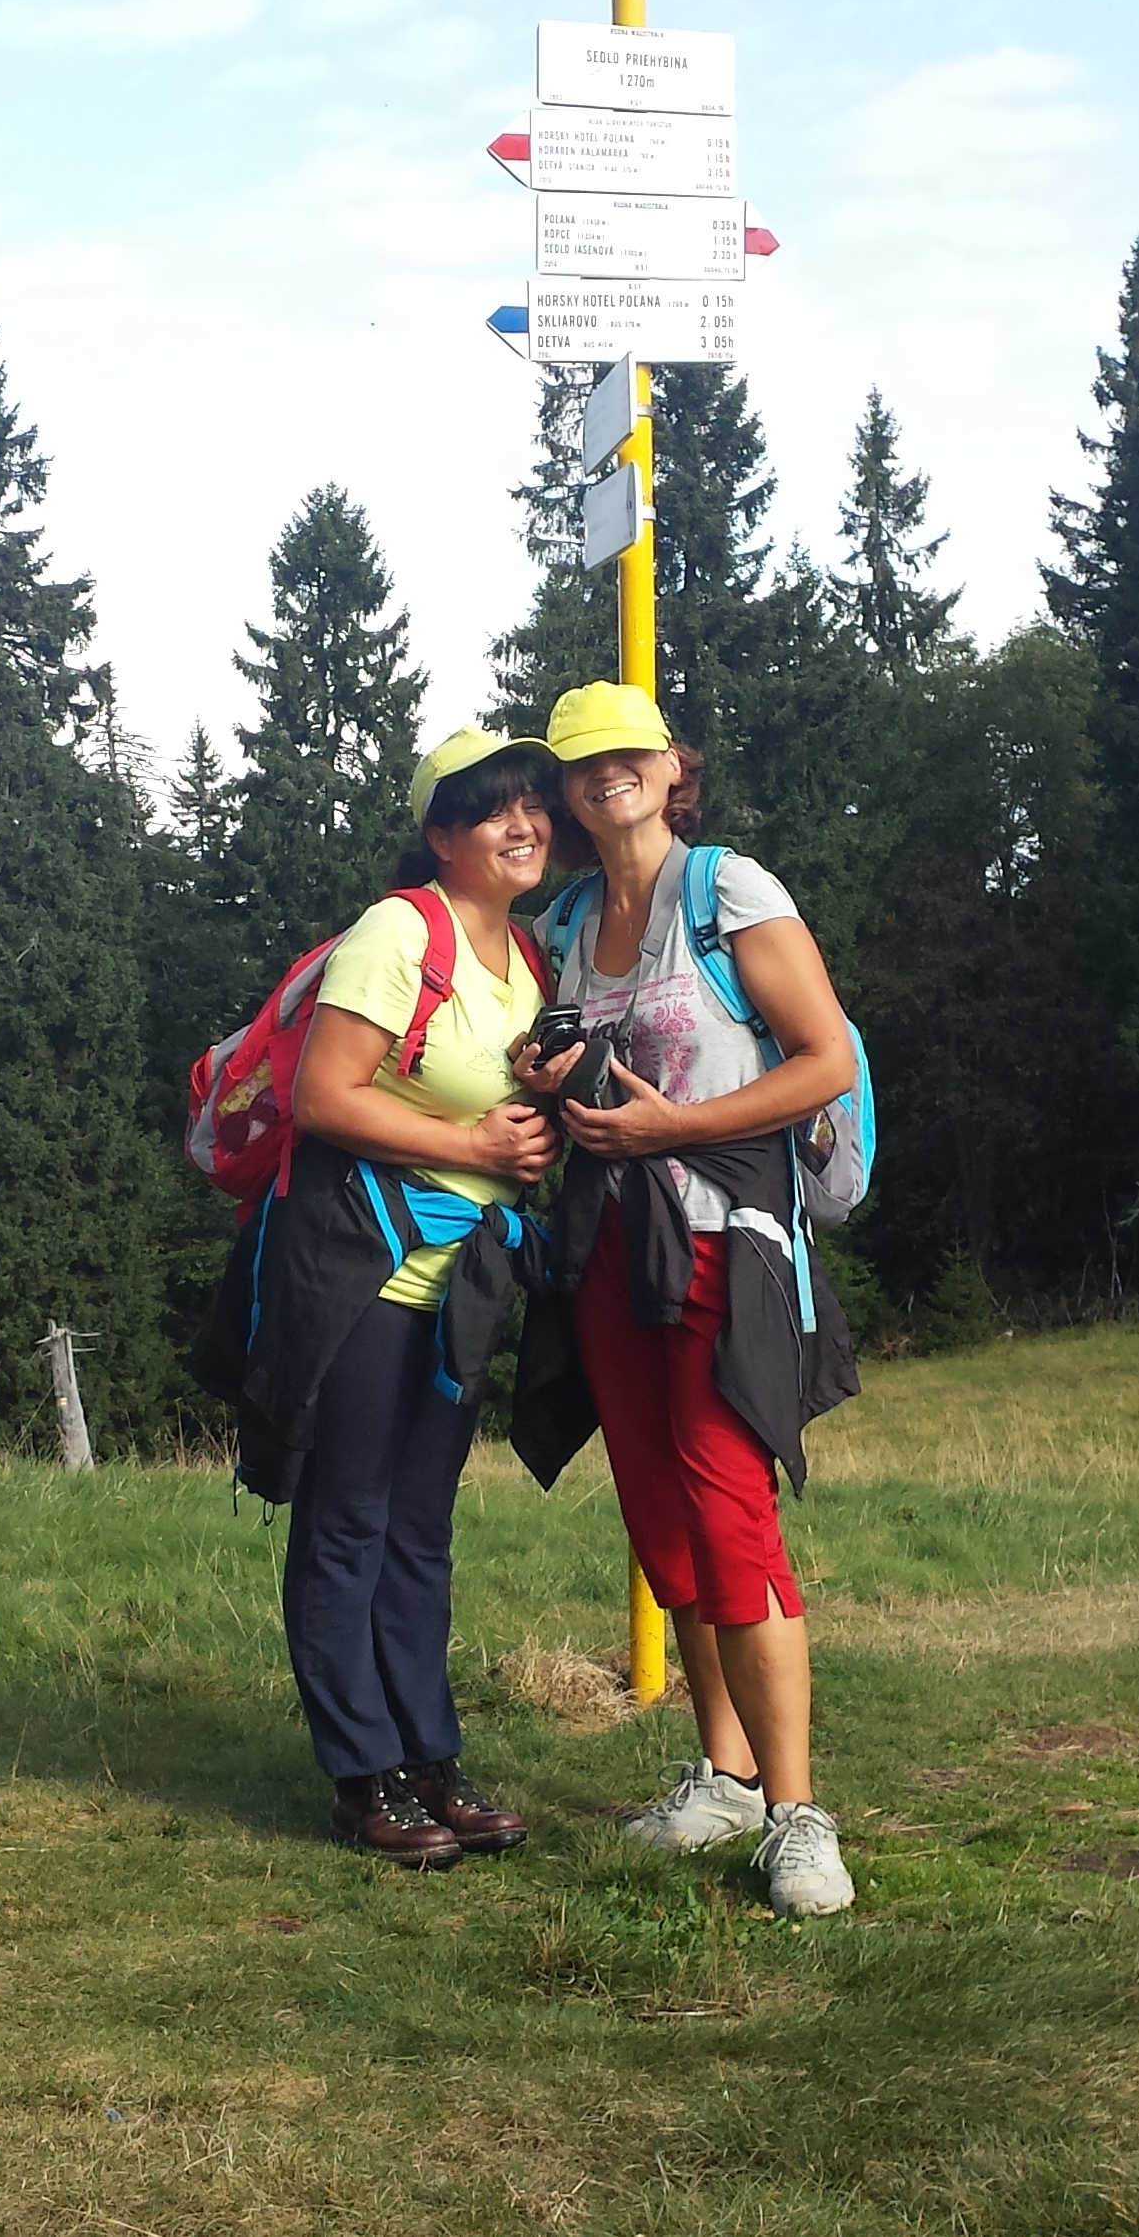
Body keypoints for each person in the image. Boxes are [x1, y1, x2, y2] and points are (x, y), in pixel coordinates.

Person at [509, 681, 865, 1917]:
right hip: (610, 1250)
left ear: (671, 766)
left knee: (729, 1515)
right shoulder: (564, 921)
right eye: (581, 762)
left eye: (628, 752)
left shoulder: (729, 892)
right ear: (566, 791)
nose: (606, 772)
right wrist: (549, 1077)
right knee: (663, 1521)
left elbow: (826, 1058)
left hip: (724, 1242)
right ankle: (725, 1774)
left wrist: (676, 1126)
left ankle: (800, 1816)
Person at [223, 729, 565, 1869]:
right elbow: (326, 1096)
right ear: (442, 835)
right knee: (349, 1520)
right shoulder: (399, 932)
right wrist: (475, 1142)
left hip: (460, 1282)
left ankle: (430, 1762)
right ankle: (360, 1776)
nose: (524, 825)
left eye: (534, 805)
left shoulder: (525, 959)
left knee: (419, 1528)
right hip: (360, 1273)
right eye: (494, 810)